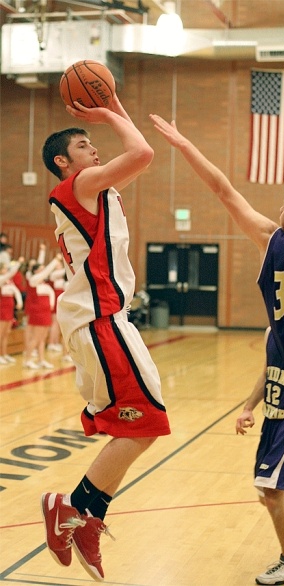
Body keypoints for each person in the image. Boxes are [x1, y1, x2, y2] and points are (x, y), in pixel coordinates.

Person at [149, 114, 284, 586]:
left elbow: (225, 190)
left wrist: (185, 144)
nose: (277, 211)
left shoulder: (274, 243)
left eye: (283, 207)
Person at [41, 95, 170, 582]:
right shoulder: (79, 186)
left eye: (94, 142)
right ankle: (69, 508)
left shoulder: (97, 189)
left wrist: (114, 103)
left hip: (99, 321)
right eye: (82, 143)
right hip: (100, 321)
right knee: (148, 424)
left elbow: (134, 153)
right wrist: (109, 111)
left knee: (138, 426)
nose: (94, 148)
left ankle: (88, 518)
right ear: (62, 161)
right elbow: (142, 153)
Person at [236, 326, 284, 584]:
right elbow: (267, 374)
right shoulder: (272, 331)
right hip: (272, 420)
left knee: (273, 493)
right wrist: (248, 407)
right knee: (270, 496)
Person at [0, 258, 24, 364]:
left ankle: (5, 354)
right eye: (4, 268)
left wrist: (19, 302)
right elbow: (11, 273)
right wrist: (18, 263)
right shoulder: (1, 279)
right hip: (2, 308)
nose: (6, 270)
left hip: (9, 308)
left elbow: (16, 291)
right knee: (0, 333)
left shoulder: (9, 281)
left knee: (6, 333)